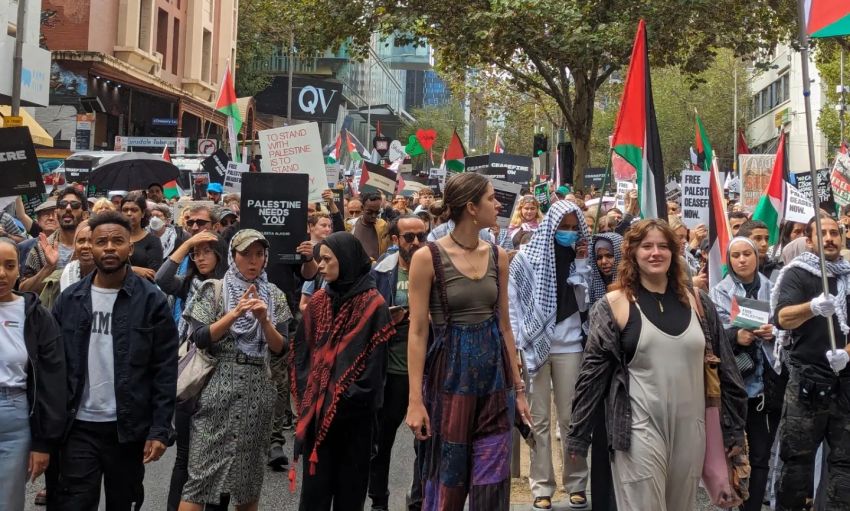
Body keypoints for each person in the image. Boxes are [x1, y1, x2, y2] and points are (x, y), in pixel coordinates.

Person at [566, 219, 747, 511]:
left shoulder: (699, 303)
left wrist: (734, 432)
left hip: (692, 429)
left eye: (663, 246)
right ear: (633, 253)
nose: (655, 253)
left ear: (674, 254)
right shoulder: (615, 305)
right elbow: (591, 377)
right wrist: (578, 436)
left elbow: (728, 373)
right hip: (637, 427)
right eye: (647, 246)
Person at [405, 172, 530, 511]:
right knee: (448, 485)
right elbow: (417, 333)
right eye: (491, 198)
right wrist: (415, 401)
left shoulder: (499, 257)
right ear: (472, 208)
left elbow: (505, 325)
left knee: (491, 486)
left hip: (494, 381)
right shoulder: (426, 258)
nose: (499, 203)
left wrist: (518, 390)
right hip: (449, 380)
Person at [49, 211, 178, 509]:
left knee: (123, 502)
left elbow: (164, 369)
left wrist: (160, 429)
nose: (109, 247)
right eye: (101, 241)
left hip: (128, 428)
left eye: (117, 241)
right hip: (78, 426)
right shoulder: (69, 300)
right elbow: (53, 367)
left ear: (129, 248)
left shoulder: (151, 300)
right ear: (89, 248)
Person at [178, 229, 292, 511]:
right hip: (217, 391)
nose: (253, 261)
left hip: (258, 395)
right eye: (245, 254)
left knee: (248, 483)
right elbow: (201, 337)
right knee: (200, 480)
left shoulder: (274, 295)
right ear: (232, 256)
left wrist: (264, 320)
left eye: (259, 254)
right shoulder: (214, 289)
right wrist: (235, 314)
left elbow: (281, 348)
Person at [291, 232, 393, 510]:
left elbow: (373, 372)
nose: (320, 266)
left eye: (326, 259)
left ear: (346, 260)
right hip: (318, 417)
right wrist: (313, 398)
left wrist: (337, 398)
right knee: (314, 496)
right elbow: (302, 355)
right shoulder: (318, 303)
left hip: (355, 421)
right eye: (318, 259)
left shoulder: (374, 306)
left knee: (349, 495)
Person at [508, 200, 591, 510]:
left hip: (571, 348)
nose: (569, 234)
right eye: (563, 228)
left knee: (571, 419)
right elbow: (513, 307)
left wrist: (581, 265)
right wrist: (516, 347)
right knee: (539, 419)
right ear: (550, 228)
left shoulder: (583, 259)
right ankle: (541, 486)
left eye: (574, 228)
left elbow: (584, 305)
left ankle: (576, 483)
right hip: (534, 346)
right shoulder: (525, 259)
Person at [771, 213, 850, 510]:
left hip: (845, 384)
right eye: (823, 233)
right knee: (796, 463)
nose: (829, 238)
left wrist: (846, 354)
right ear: (809, 240)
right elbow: (782, 319)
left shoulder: (848, 275)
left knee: (845, 466)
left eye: (834, 232)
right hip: (808, 381)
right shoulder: (797, 273)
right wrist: (813, 307)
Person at [155, 231, 228, 511]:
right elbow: (162, 279)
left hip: (222, 373)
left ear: (220, 254)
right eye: (195, 254)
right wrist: (187, 244)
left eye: (206, 251)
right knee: (185, 455)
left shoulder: (231, 286)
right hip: (191, 372)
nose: (200, 257)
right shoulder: (189, 285)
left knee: (219, 455)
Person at [709, 236, 779, 511]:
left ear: (756, 256)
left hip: (766, 383)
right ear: (729, 260)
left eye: (746, 254)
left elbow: (787, 325)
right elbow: (713, 334)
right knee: (733, 451)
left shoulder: (772, 288)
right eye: (735, 255)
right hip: (735, 383)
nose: (741, 260)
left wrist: (775, 332)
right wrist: (736, 336)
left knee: (761, 452)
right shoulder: (721, 291)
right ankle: (735, 500)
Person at [0, 238, 65, 511]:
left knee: (8, 502)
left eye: (9, 265)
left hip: (15, 419)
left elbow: (52, 381)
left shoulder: (36, 316)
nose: (1, 273)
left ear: (19, 271)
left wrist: (42, 442)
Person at [369, 215, 427, 511]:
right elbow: (365, 318)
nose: (416, 243)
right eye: (409, 237)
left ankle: (417, 499)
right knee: (382, 441)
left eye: (421, 237)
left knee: (425, 442)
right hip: (391, 371)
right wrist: (386, 320)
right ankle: (379, 501)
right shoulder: (381, 272)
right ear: (395, 240)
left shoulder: (436, 269)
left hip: (427, 370)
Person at [585, 232, 623, 511]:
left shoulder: (631, 291)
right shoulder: (588, 285)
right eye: (599, 257)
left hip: (626, 377)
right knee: (601, 440)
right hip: (599, 374)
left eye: (610, 255)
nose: (605, 262)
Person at [20, 187, 87, 293]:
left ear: (85, 215)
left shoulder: (94, 248)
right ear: (57, 213)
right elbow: (23, 290)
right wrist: (48, 267)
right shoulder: (40, 249)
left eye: (74, 205)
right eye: (63, 204)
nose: (68, 208)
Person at [121, 191, 163, 279]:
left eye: (134, 210)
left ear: (143, 213)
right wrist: (133, 269)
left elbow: (153, 273)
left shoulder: (153, 241)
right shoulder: (115, 239)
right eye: (125, 210)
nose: (129, 213)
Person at [299, 212, 334, 313]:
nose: (328, 229)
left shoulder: (334, 252)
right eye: (323, 225)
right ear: (311, 227)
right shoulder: (301, 248)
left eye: (330, 226)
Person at [347, 192, 389, 260]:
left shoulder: (383, 226)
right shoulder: (350, 225)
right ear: (362, 208)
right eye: (369, 212)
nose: (373, 215)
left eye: (377, 212)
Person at [59, 221, 95, 292]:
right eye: (81, 241)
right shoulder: (68, 270)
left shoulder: (109, 272)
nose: (85, 246)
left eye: (91, 241)